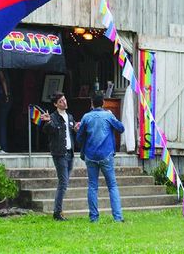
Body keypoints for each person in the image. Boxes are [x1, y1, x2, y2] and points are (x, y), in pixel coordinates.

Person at [76, 94, 125, 222]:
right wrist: (113, 117)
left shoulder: (86, 117)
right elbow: (121, 128)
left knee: (92, 186)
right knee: (112, 186)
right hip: (106, 154)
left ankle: (94, 217)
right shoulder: (108, 116)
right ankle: (118, 217)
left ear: (92, 103)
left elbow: (79, 137)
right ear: (103, 102)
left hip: (90, 155)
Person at [41, 92, 79, 221]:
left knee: (65, 181)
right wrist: (47, 122)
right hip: (59, 153)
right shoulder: (53, 117)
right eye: (61, 101)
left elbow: (73, 130)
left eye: (65, 99)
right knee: (63, 182)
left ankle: (58, 210)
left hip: (70, 152)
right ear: (56, 104)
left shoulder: (70, 117)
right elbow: (47, 130)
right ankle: (57, 212)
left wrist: (76, 128)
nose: (64, 102)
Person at [0, 68, 12, 153]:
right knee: (2, 123)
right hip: (3, 98)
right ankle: (2, 146)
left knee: (1, 123)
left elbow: (2, 79)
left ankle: (2, 147)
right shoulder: (5, 69)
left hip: (2, 98)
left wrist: (6, 94)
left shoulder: (0, 69)